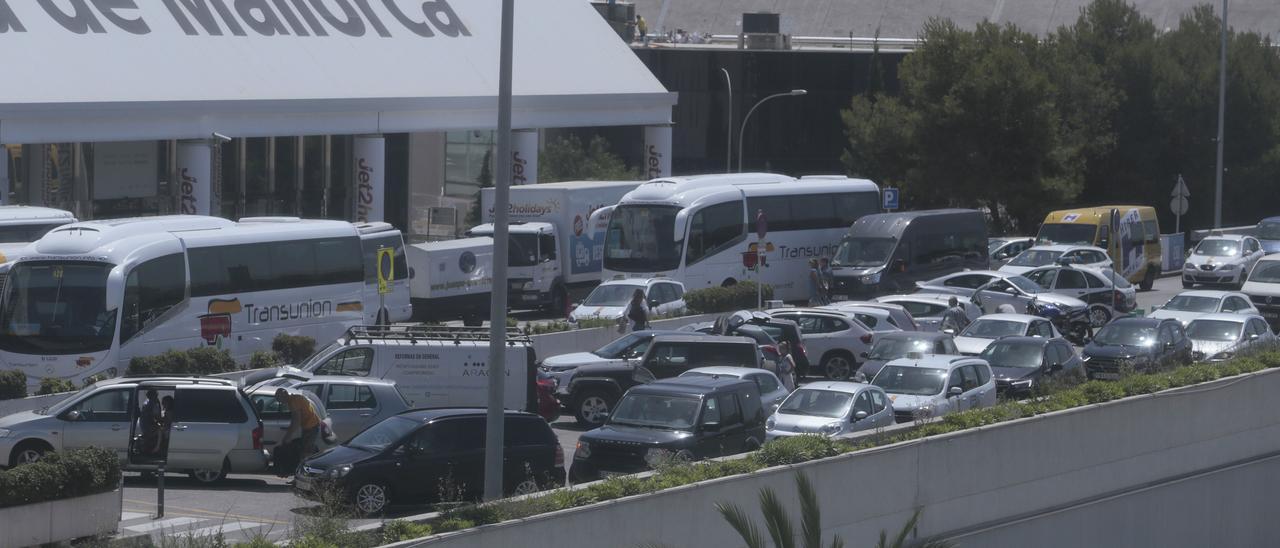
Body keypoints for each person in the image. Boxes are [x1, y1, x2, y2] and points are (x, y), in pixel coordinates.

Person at [277, 387, 322, 460]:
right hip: (311, 425)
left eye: (280, 399)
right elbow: (295, 419)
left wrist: (288, 436)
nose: (281, 402)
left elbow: (296, 420)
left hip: (311, 426)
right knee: (306, 447)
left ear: (284, 395)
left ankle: (306, 466)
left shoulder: (293, 402)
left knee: (306, 450)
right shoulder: (295, 398)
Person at [138, 389, 162, 456]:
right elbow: (153, 416)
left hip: (148, 424)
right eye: (156, 395)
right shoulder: (149, 404)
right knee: (160, 430)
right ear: (152, 396)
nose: (157, 397)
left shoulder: (151, 402)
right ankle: (157, 447)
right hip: (147, 425)